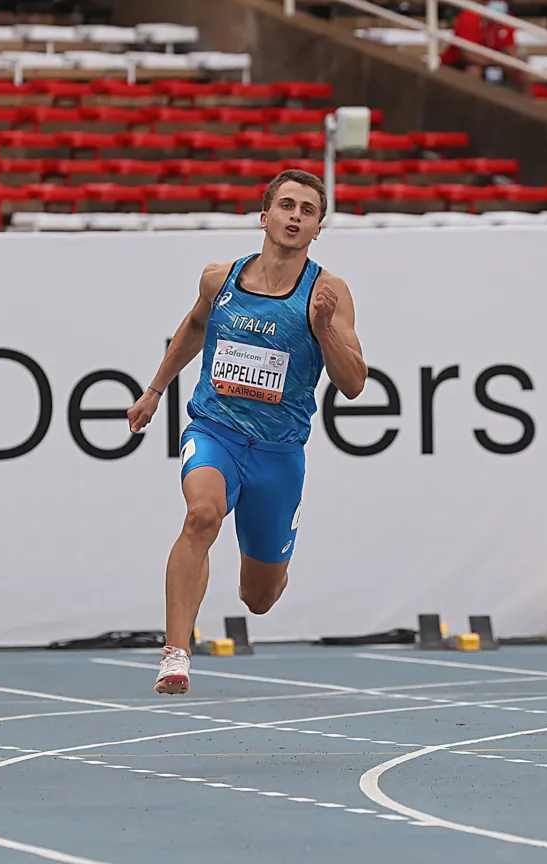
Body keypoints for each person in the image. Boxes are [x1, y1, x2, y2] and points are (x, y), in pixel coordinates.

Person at [126, 169, 368, 695]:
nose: (295, 216)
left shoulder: (327, 291)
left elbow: (353, 384)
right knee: (201, 514)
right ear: (265, 217)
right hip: (216, 431)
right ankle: (175, 653)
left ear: (317, 229)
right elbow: (194, 326)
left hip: (278, 454)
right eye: (287, 205)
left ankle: (263, 562)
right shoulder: (220, 278)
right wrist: (155, 390)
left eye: (308, 210)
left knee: (259, 597)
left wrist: (323, 327)